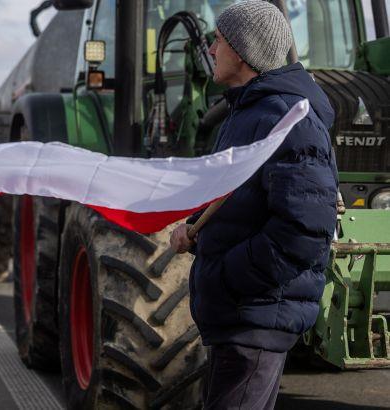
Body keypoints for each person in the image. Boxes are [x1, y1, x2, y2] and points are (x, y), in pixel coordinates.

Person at [169, 2, 338, 409]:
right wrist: (195, 228)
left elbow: (304, 230)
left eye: (219, 40)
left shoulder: (285, 118)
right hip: (242, 318)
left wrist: (229, 279)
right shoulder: (250, 111)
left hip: (254, 317)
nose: (210, 49)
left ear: (242, 52)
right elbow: (236, 194)